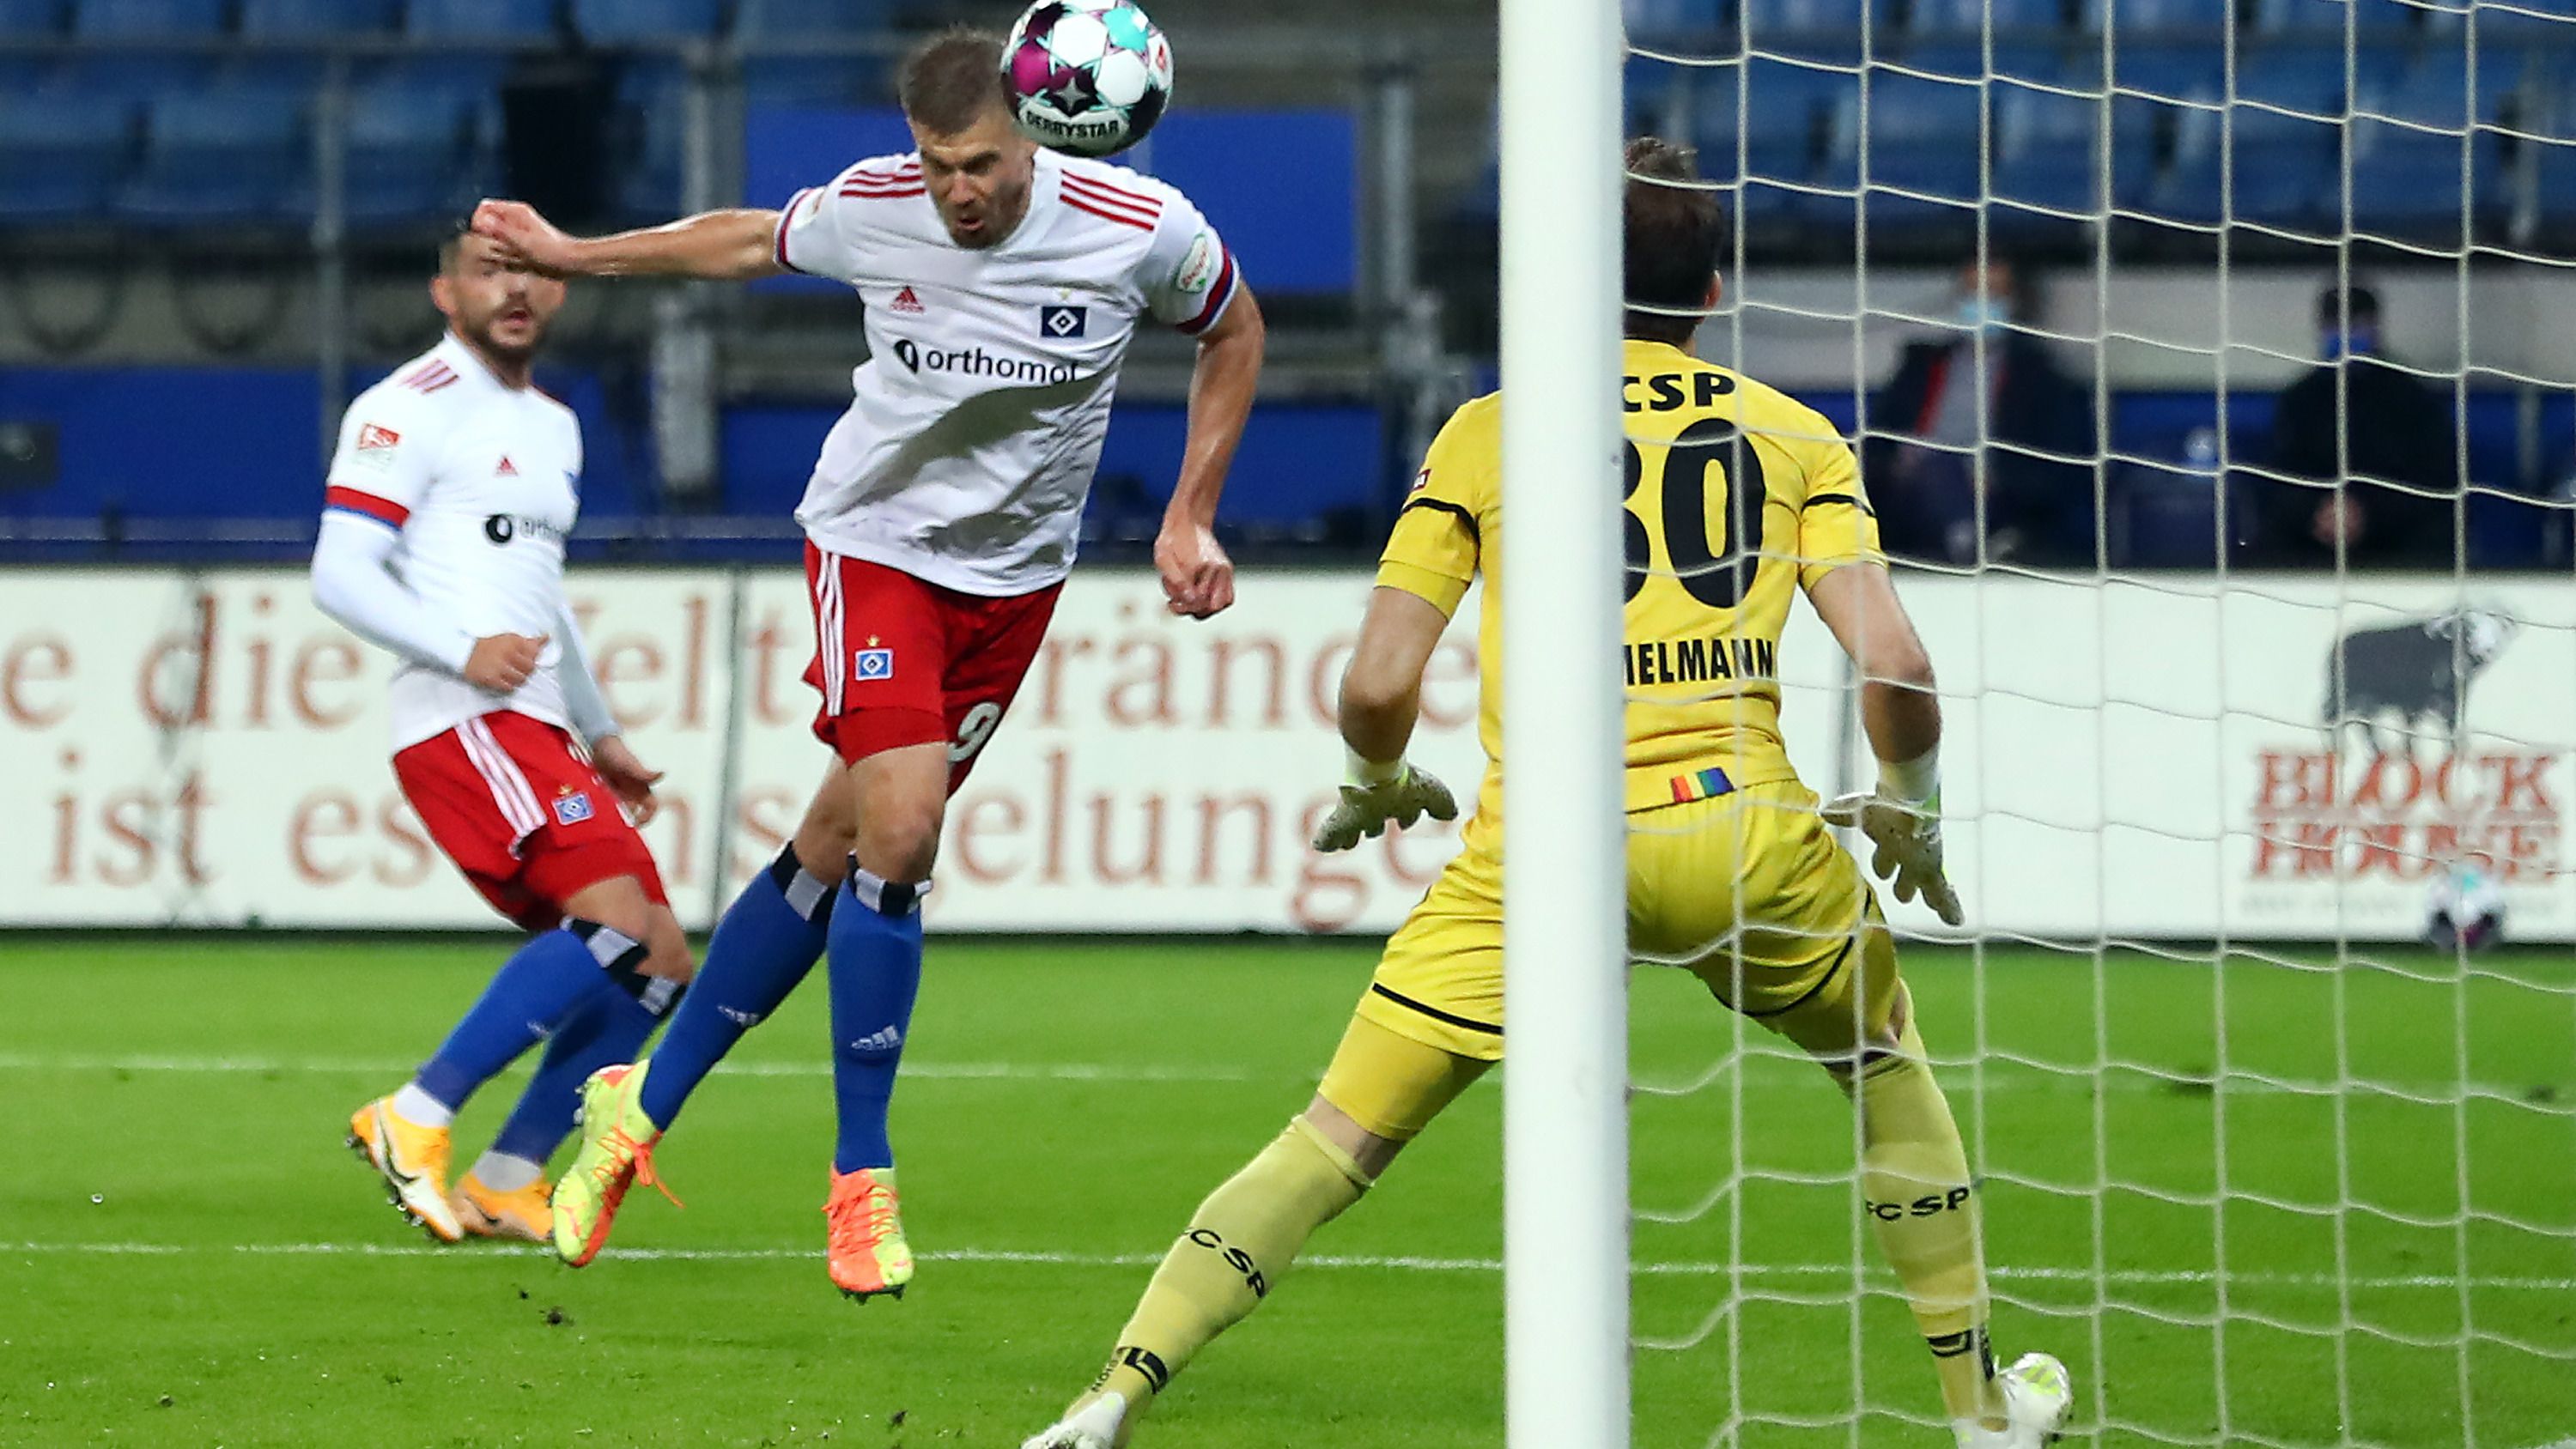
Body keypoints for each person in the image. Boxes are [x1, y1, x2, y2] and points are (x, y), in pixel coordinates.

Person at [1023, 139, 2069, 1449]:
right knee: (1882, 1063)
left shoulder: (1486, 434)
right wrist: (1910, 801)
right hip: (1742, 830)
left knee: (1333, 1138)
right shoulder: (1796, 436)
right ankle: (1982, 1409)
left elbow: (1375, 682)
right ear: (1715, 291)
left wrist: (1376, 777)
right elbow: (1897, 664)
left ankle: (1115, 1393)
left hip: (1542, 856)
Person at [469, 26, 1265, 1299]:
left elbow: (1234, 330)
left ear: (1033, 138)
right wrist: (574, 254)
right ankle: (861, 1178)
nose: (960, 191)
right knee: (903, 829)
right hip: (877, 548)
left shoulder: (1139, 227)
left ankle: (640, 1102)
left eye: (983, 165)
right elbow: (742, 240)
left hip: (1014, 583)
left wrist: (1191, 513)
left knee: (835, 845)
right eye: (939, 164)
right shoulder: (877, 206)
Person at [318, 223, 695, 1246]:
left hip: (534, 719)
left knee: (661, 962)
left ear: (561, 289)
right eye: (491, 272)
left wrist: (599, 728)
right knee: (616, 920)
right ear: (447, 292)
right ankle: (415, 1111)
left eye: (534, 271)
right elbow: (339, 571)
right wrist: (460, 648)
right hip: (463, 714)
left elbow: (541, 598)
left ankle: (508, 1175)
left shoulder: (554, 425)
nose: (515, 290)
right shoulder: (407, 406)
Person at [1868, 258, 2096, 567]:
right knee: (1936, 468)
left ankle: (1963, 543)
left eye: (1994, 293)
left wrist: (1996, 478)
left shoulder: (2040, 377)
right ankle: (1968, 547)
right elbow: (1878, 439)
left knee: (1949, 475)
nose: (1982, 302)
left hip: (1997, 496)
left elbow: (2059, 466)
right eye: (1973, 291)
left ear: (2016, 301)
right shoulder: (1920, 366)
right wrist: (1898, 462)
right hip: (1913, 489)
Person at [2246, 282, 2460, 568]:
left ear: (2375, 326)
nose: (2345, 333)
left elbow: (2434, 480)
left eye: (2355, 323)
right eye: (2335, 324)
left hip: (2396, 538)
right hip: (2314, 535)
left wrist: (2367, 513)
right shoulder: (2300, 399)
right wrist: (2316, 511)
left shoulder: (2412, 398)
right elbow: (2281, 476)